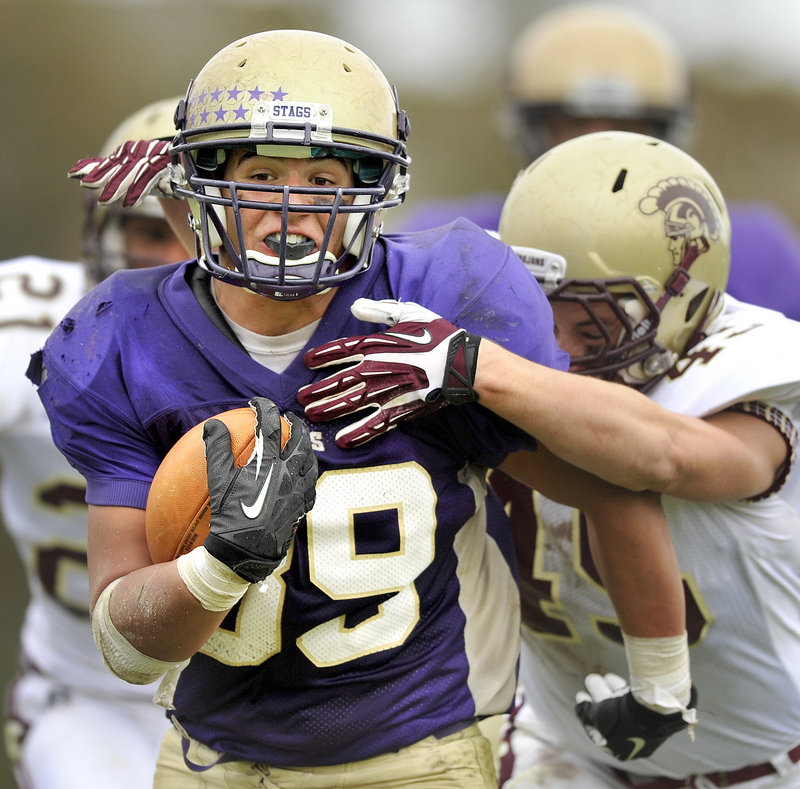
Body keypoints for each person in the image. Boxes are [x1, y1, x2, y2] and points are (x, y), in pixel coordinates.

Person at [35, 30, 696, 789]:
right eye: (261, 175)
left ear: (374, 186)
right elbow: (130, 650)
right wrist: (220, 568)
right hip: (208, 759)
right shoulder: (126, 335)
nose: (293, 208)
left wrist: (475, 368)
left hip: (417, 754)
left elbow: (621, 473)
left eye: (324, 179)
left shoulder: (445, 296)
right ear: (204, 180)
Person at [299, 130, 800, 787]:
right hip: (570, 750)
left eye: (590, 324)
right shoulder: (483, 351)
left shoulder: (754, 365)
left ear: (681, 300)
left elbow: (667, 457)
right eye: (540, 306)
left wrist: (477, 367)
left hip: (767, 764)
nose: (556, 344)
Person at [1, 97, 190, 788]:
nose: (176, 259)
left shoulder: (300, 340)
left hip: (267, 701)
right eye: (151, 230)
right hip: (92, 698)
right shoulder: (38, 325)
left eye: (196, 228)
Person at [393, 3, 800, 321]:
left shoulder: (756, 254)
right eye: (571, 124)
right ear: (530, 131)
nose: (599, 148)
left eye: (627, 126)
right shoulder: (452, 241)